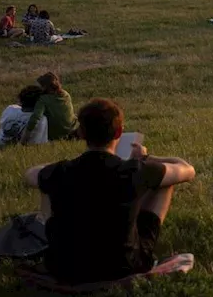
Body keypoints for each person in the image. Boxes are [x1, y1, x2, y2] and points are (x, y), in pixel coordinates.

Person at [24, 98, 197, 285]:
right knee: (165, 182)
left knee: (47, 184)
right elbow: (187, 169)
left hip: (64, 267)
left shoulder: (63, 171)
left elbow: (31, 174)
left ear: (81, 133)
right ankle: (137, 240)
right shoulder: (135, 170)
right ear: (119, 132)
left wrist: (70, 163)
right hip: (124, 266)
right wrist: (146, 158)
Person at [24, 72, 79, 141]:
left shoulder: (43, 100)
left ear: (44, 87)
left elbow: (35, 118)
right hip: (70, 131)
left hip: (54, 136)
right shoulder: (66, 94)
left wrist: (25, 137)